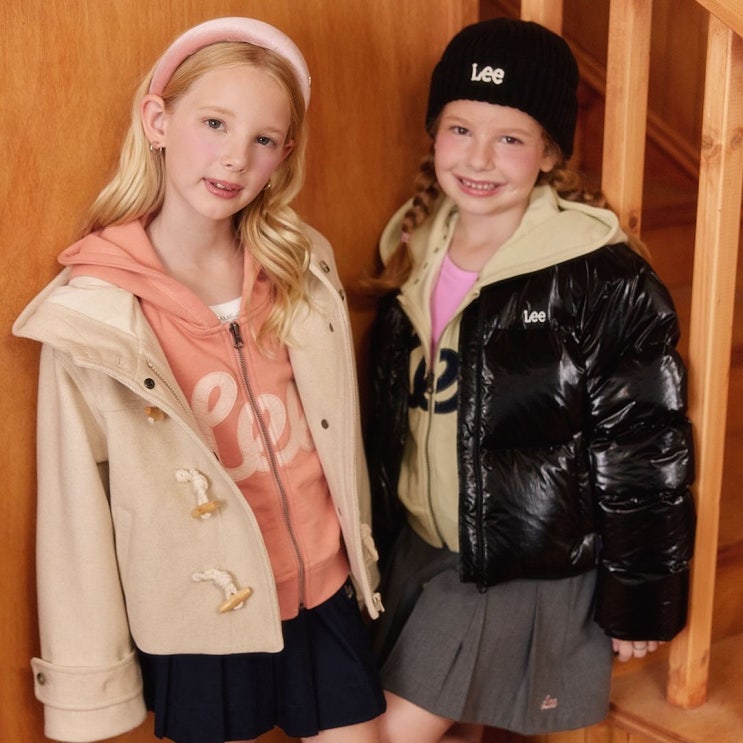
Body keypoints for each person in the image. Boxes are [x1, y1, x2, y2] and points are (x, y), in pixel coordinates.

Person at [13, 17, 385, 743]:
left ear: (283, 156)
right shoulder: (94, 312)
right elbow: (74, 515)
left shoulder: (300, 264)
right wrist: (89, 684)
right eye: (214, 123)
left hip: (324, 585)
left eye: (264, 139)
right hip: (202, 615)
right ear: (158, 121)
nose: (235, 157)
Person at [364, 17, 696, 743]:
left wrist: (642, 595)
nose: (479, 157)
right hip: (422, 545)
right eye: (460, 129)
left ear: (548, 153)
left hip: (518, 565)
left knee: (384, 732)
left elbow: (644, 446)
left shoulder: (598, 276)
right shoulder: (412, 246)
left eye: (510, 138)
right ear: (434, 133)